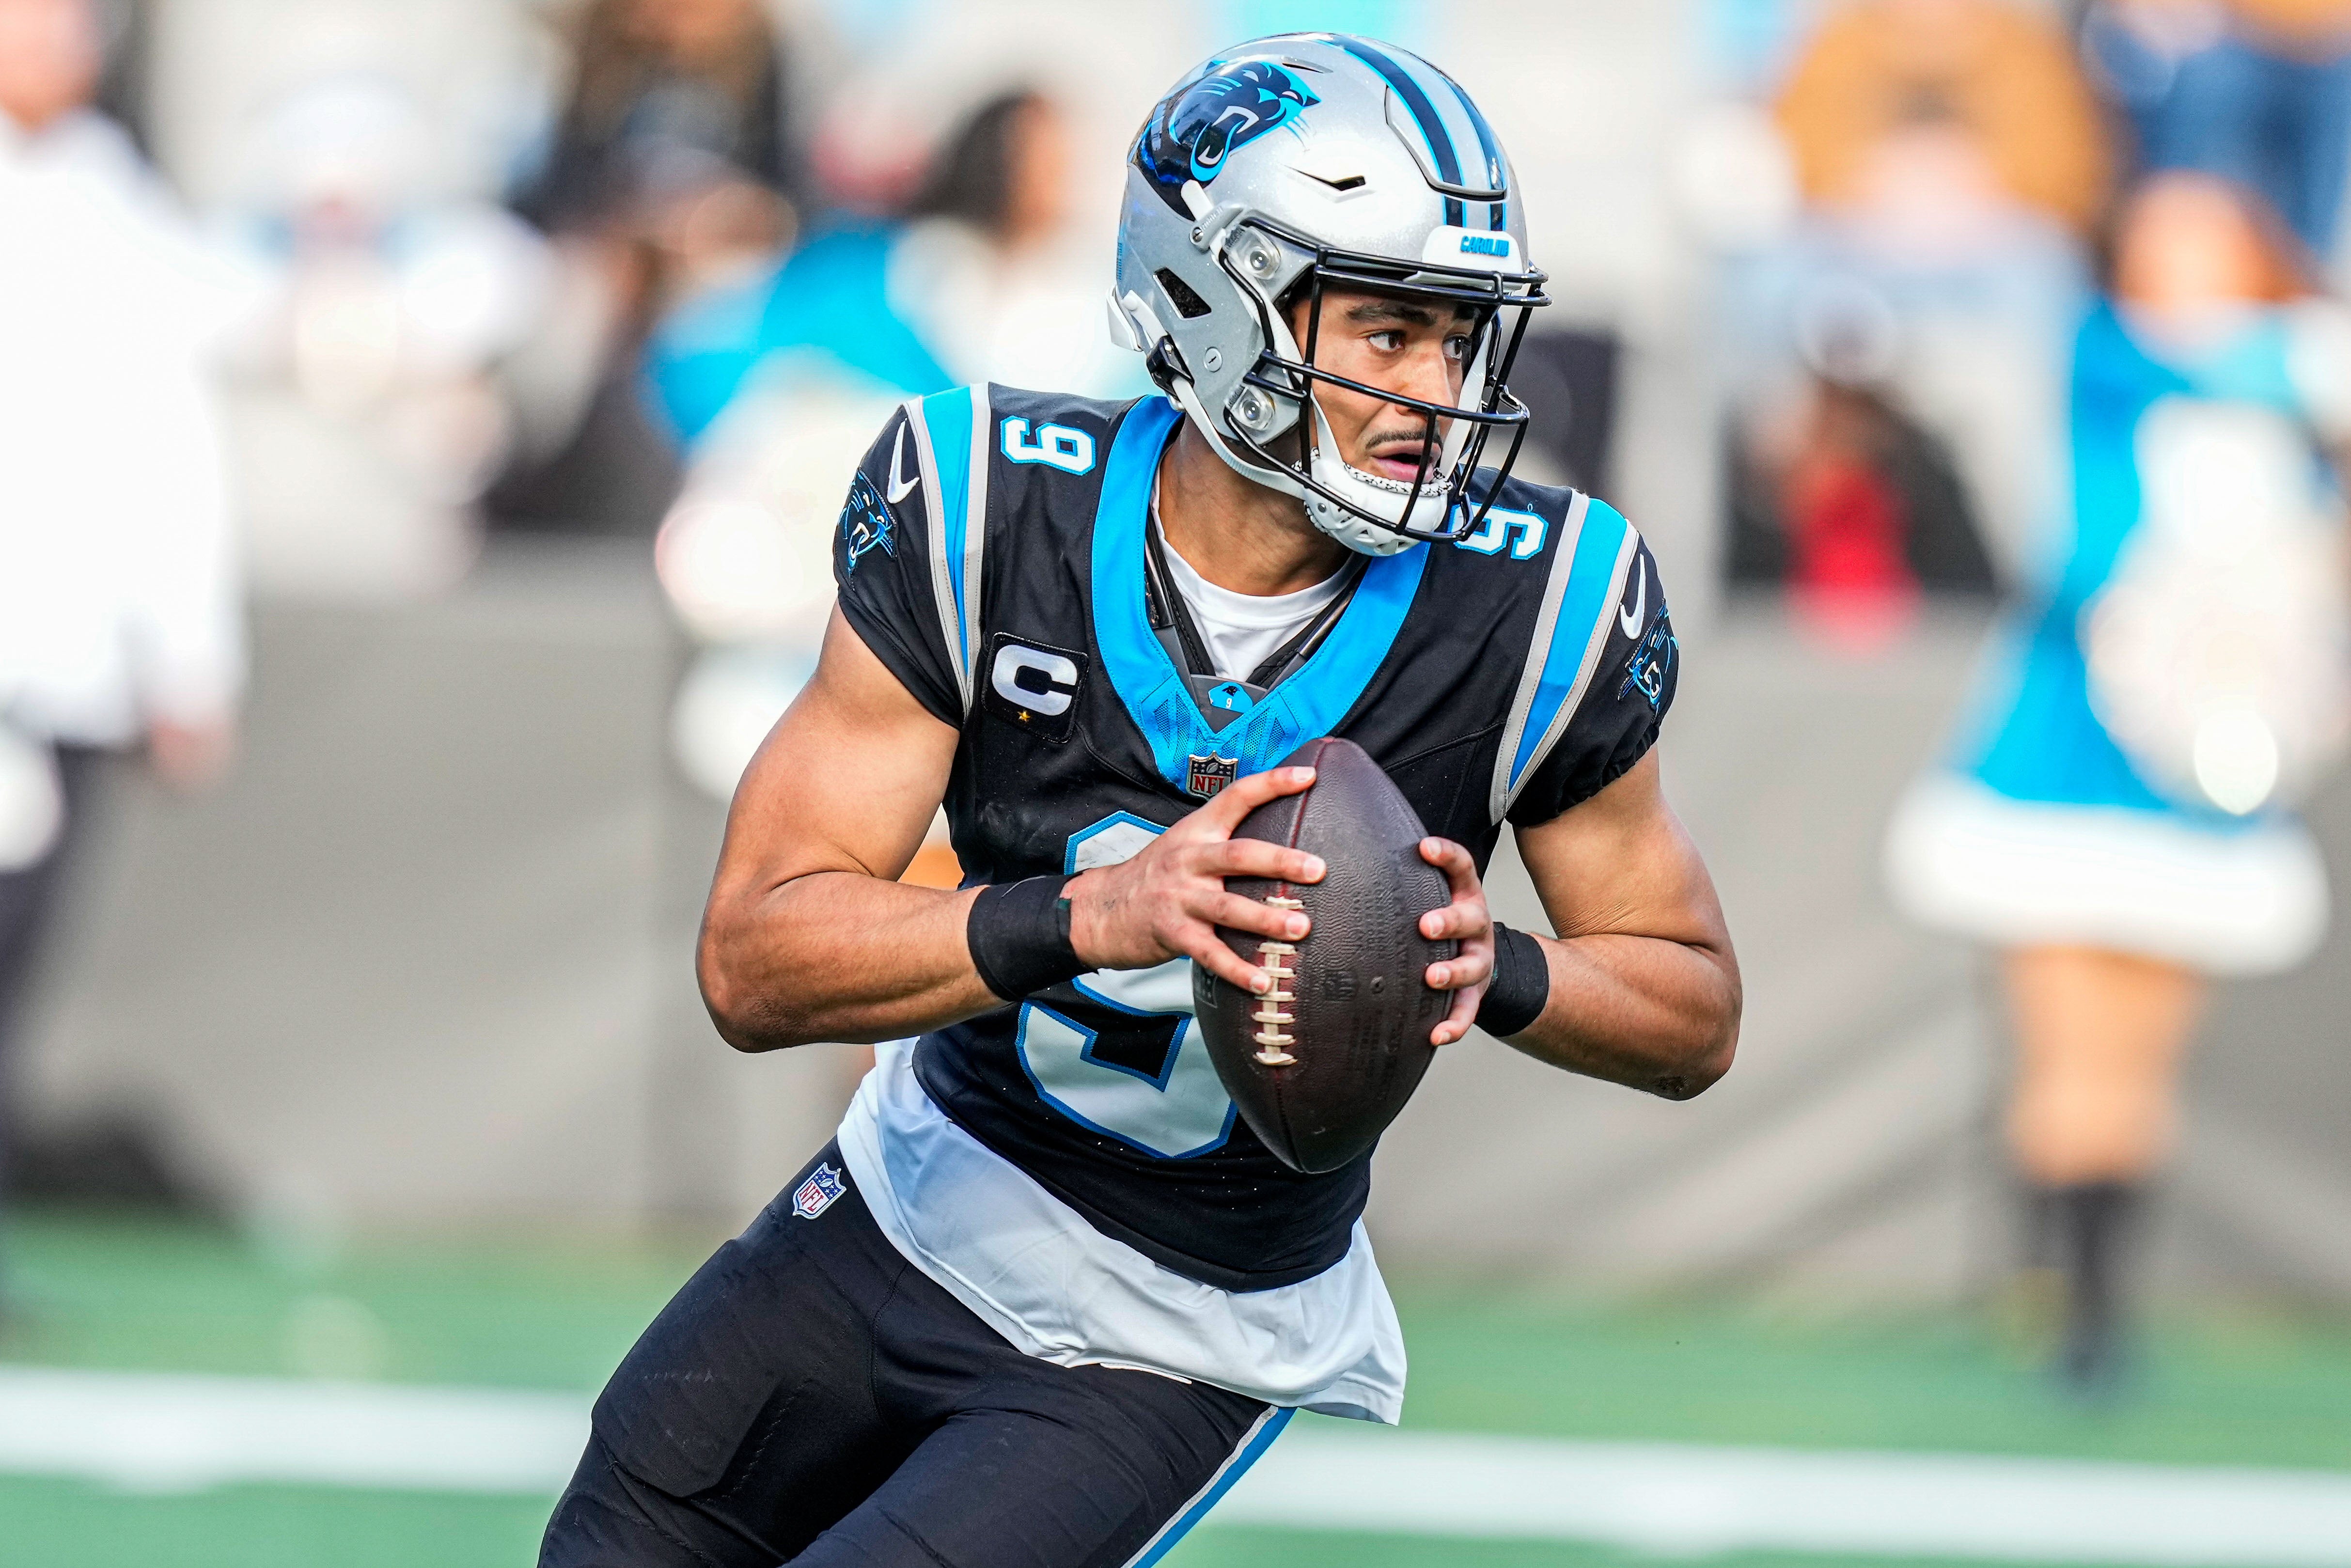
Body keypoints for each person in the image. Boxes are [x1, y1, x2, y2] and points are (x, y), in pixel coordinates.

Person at [538, 35, 1741, 1567]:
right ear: (1212, 296)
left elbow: (1692, 1006)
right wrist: (1086, 916)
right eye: (1386, 332)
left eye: (1458, 339)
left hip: (1178, 1329)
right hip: (912, 1198)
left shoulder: (1539, 600)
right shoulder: (986, 500)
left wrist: (1489, 963)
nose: (1436, 394)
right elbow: (753, 958)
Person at [1885, 171, 2349, 1397]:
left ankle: (2097, 1307)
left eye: (2208, 248)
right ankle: (2055, 1304)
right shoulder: (2101, 367)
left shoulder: (2294, 434)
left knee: (2136, 1065)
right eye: (2157, 249)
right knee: (2065, 1051)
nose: (2180, 273)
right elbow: (2086, 549)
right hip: (2059, 762)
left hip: (2197, 785)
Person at [0, 0, 242, 1244]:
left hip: (57, 681)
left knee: (18, 962)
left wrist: (189, 660)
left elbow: (169, 456)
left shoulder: (111, 208)